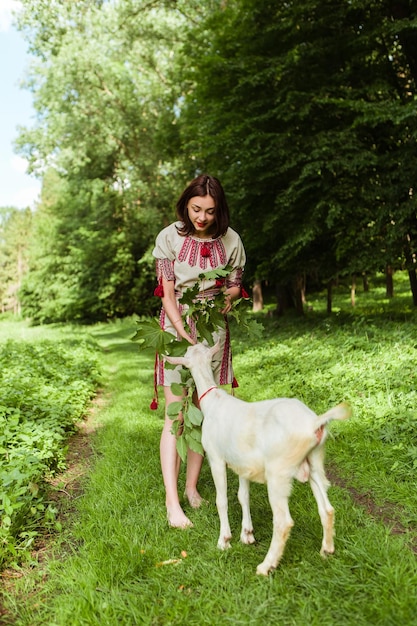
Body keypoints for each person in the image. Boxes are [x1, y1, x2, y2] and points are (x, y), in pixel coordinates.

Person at [152, 174, 246, 528]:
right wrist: (180, 331)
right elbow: (168, 291)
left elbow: (236, 286)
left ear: (218, 209)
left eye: (209, 211)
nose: (202, 217)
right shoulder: (169, 237)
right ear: (186, 204)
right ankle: (172, 502)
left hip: (212, 328)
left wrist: (228, 298)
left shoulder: (231, 240)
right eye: (195, 209)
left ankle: (192, 488)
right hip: (177, 327)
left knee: (203, 411)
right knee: (176, 413)